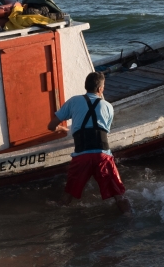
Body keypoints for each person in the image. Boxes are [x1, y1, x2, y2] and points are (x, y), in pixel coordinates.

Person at [47, 71, 131, 214]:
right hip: (102, 155)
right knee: (119, 195)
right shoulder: (108, 106)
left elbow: (51, 126)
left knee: (66, 198)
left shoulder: (73, 101)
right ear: (100, 89)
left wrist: (61, 128)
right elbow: (103, 130)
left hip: (81, 155)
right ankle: (129, 219)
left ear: (86, 86)